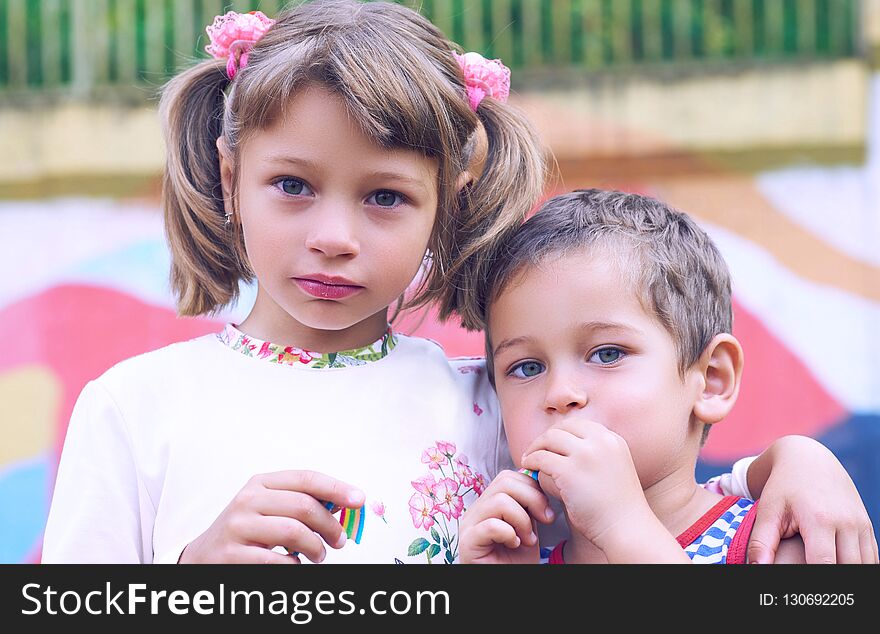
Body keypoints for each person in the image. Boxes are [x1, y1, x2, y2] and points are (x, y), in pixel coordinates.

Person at [42, 2, 874, 565]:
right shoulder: (135, 406)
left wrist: (797, 462)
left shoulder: (499, 401)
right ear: (229, 177)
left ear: (447, 209)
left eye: (385, 197)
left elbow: (667, 484)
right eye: (292, 184)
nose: (333, 237)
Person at [459, 189, 879, 564]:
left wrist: (623, 528)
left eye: (607, 353)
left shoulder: (775, 541)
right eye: (526, 367)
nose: (559, 393)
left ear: (711, 379)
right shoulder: (519, 560)